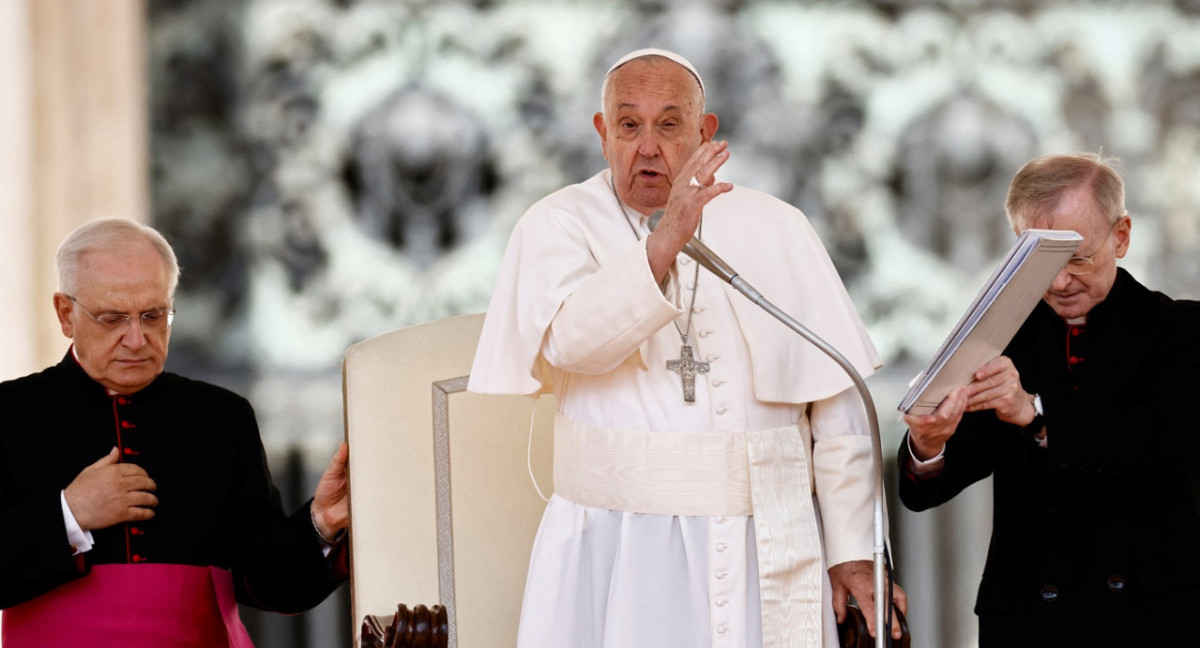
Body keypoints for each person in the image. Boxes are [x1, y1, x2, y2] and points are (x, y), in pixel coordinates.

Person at [469, 48, 906, 648]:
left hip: (769, 548)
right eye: (629, 125)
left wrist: (853, 551)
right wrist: (662, 243)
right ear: (602, 134)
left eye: (669, 124)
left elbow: (837, 406)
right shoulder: (556, 224)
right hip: (618, 550)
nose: (648, 146)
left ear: (706, 133)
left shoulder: (778, 226)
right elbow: (572, 343)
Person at [0, 218, 351, 647]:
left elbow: (270, 584)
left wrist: (322, 522)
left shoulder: (221, 417)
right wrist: (71, 515)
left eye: (153, 315)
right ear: (65, 313)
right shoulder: (10, 413)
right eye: (113, 318)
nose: (136, 339)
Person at [898, 152, 1200, 646]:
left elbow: (1157, 447)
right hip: (1031, 624)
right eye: (1042, 261)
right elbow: (924, 491)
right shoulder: (1000, 339)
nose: (1060, 282)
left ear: (1121, 236)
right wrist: (928, 445)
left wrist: (1036, 414)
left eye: (1077, 257)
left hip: (1149, 618)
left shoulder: (1182, 330)